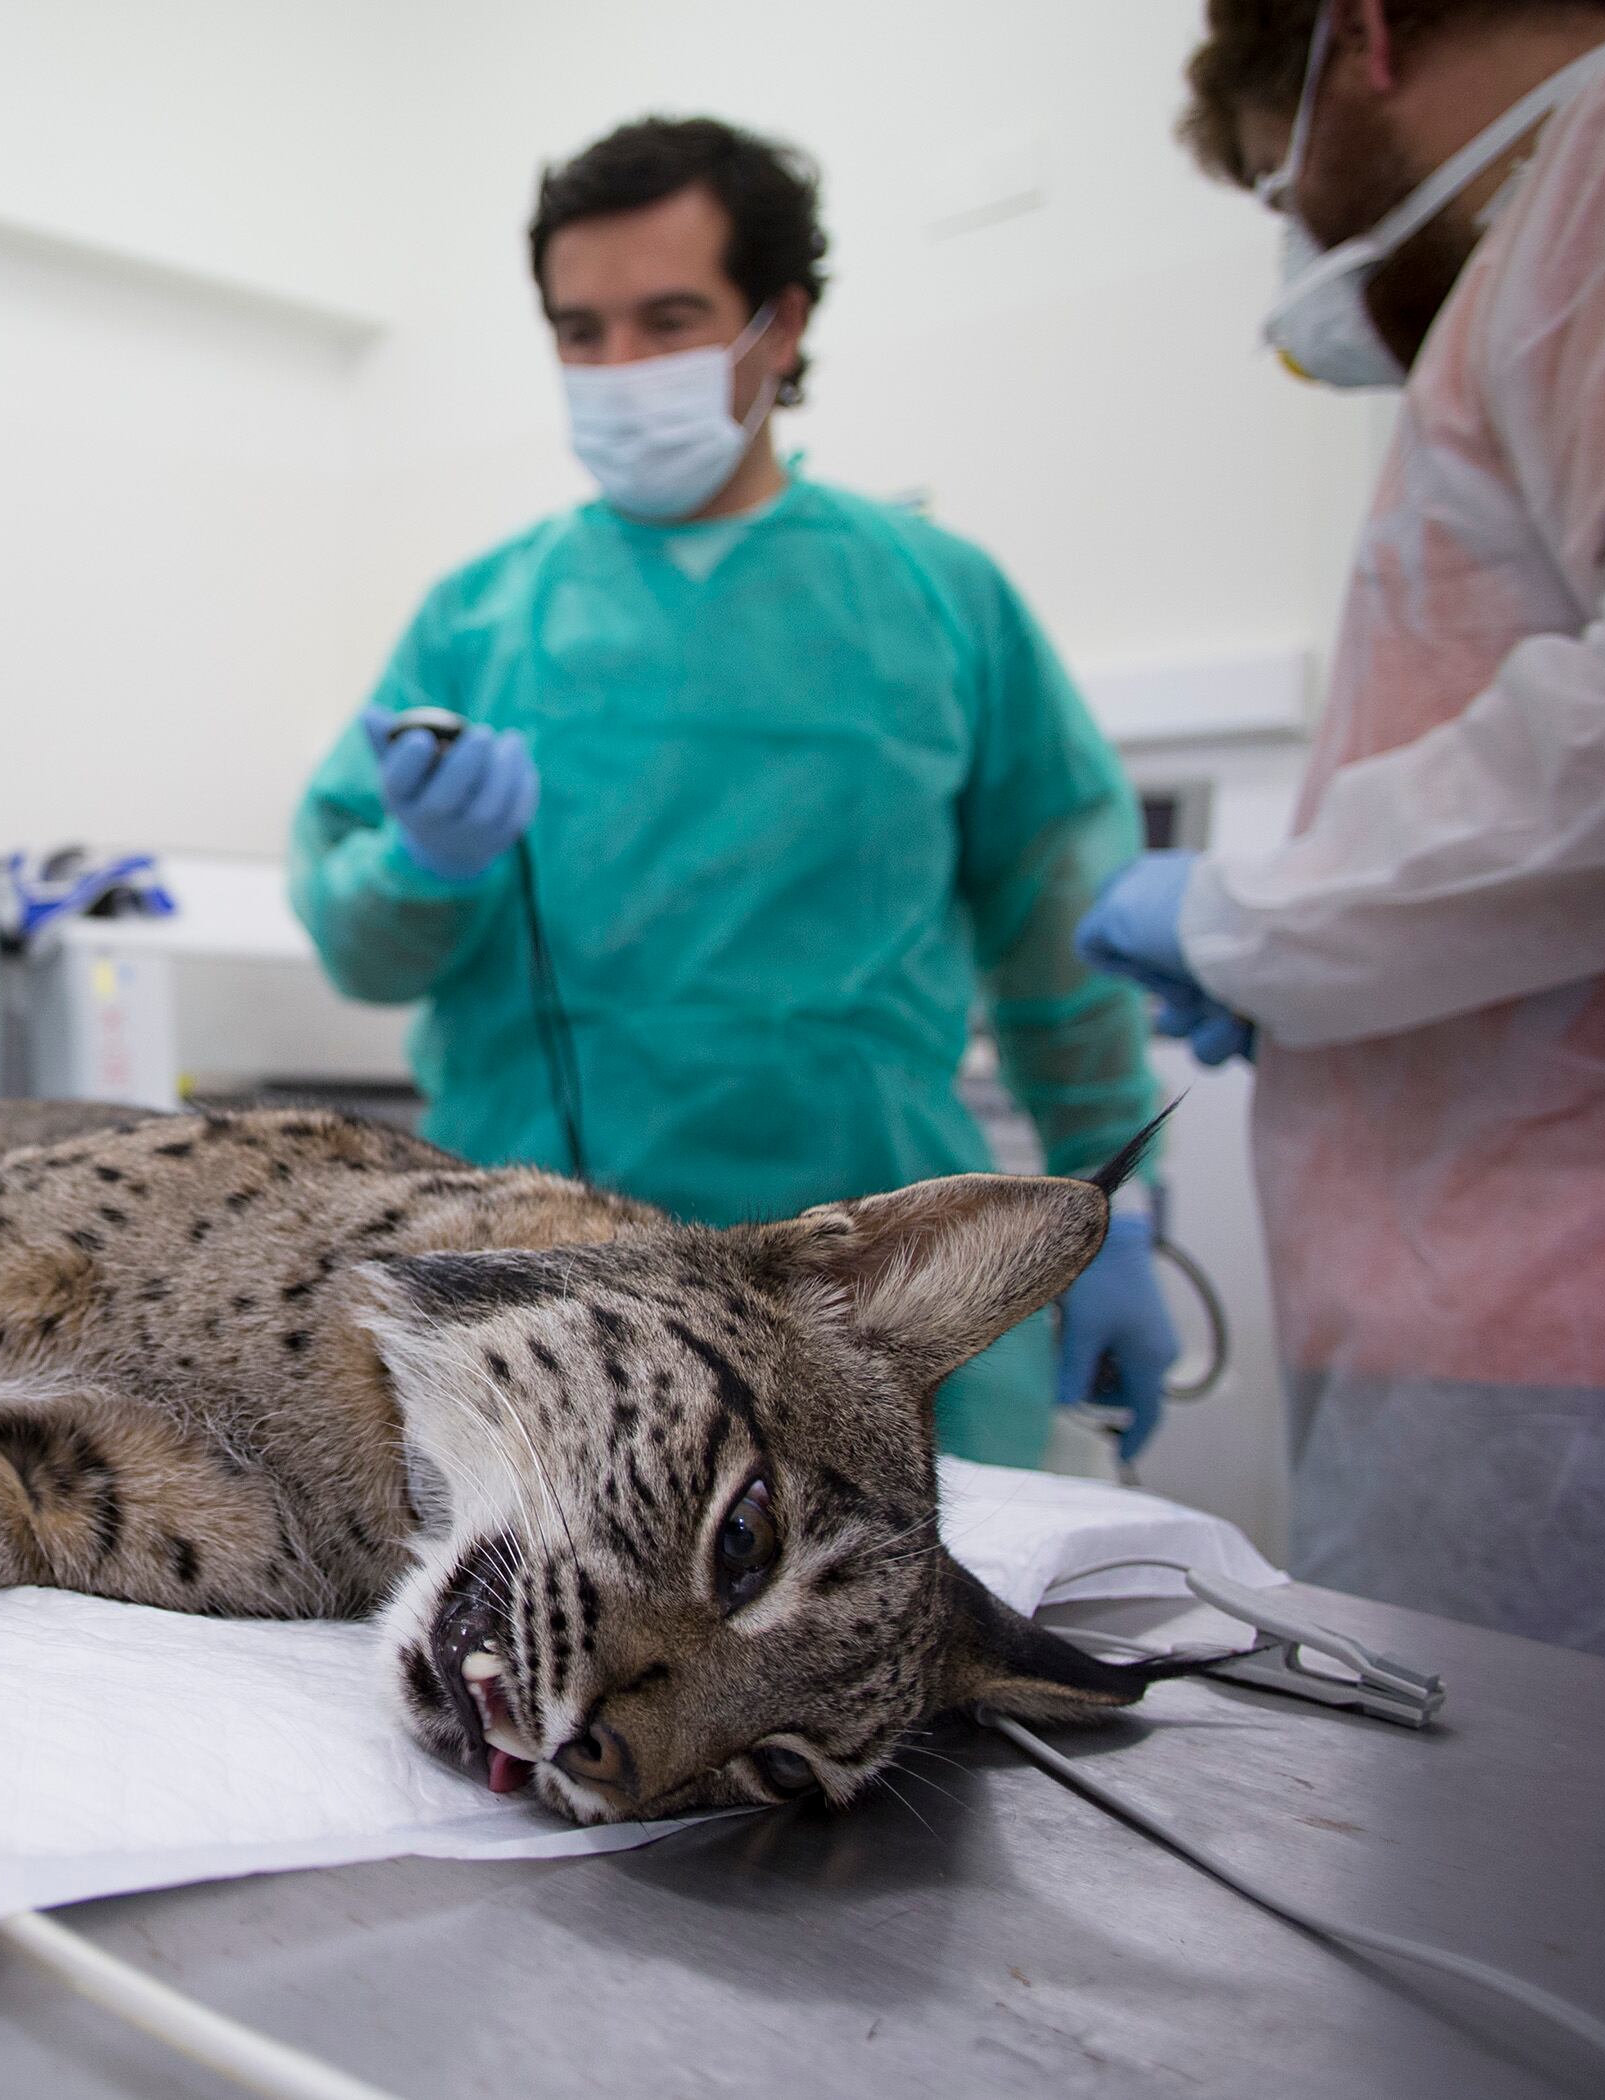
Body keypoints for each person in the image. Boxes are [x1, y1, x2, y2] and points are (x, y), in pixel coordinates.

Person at [289, 118, 1173, 1469]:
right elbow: (355, 942)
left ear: (779, 325)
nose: (618, 370)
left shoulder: (937, 600)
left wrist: (1112, 1213)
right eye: (579, 333)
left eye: (668, 320)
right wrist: (425, 866)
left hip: (878, 1293)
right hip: (533, 1289)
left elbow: (1060, 940)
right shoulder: (477, 620)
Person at [1083, 0, 1605, 1659]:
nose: (1300, 244)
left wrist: (1260, 919)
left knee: (1507, 1893)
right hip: (1492, 1319)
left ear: (1361, 38)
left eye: (1276, 181)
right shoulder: (1544, 263)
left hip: (1559, 1328)